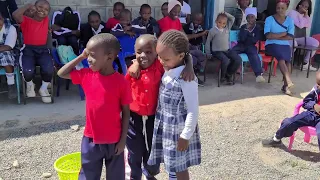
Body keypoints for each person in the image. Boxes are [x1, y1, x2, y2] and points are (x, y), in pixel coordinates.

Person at [57, 33, 132, 180]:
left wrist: (123, 140)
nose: (89, 59)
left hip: (114, 140)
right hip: (90, 139)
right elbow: (61, 73)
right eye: (87, 54)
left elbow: (126, 112)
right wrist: (81, 56)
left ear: (109, 57)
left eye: (92, 55)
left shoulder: (121, 82)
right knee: (88, 176)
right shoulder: (86, 75)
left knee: (116, 176)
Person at [125, 34, 195, 180]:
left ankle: (149, 173)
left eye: (149, 52)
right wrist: (135, 63)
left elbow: (185, 55)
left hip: (155, 118)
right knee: (135, 150)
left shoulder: (161, 65)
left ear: (157, 52)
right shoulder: (133, 68)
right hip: (134, 117)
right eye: (139, 52)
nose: (143, 56)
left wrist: (189, 66)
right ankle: (135, 175)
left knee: (154, 150)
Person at [147, 30, 200, 180]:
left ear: (180, 56)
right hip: (167, 127)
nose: (161, 61)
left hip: (178, 130)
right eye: (159, 56)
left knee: (180, 167)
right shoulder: (169, 67)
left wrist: (186, 135)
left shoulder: (186, 78)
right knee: (171, 163)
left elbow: (193, 110)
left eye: (165, 59)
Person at [262, 72, 320, 151]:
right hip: (311, 114)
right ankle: (276, 139)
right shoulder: (316, 89)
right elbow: (306, 102)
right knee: (288, 122)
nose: (317, 86)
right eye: (317, 83)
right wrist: (313, 105)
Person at [13, 0, 54, 103]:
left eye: (46, 10)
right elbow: (15, 14)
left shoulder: (46, 20)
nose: (42, 11)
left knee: (49, 69)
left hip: (43, 49)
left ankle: (43, 89)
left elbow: (47, 30)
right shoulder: (25, 20)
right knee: (27, 71)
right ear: (34, 8)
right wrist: (27, 6)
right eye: (40, 7)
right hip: (28, 49)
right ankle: (30, 84)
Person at [264, 0, 294, 96]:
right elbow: (268, 35)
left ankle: (285, 86)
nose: (280, 10)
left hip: (284, 44)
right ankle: (288, 81)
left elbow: (290, 36)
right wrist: (282, 34)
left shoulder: (290, 20)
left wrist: (276, 35)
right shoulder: (269, 19)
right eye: (278, 8)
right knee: (281, 58)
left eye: (282, 8)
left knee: (288, 60)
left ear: (286, 8)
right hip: (271, 44)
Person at [205, 12, 242, 85]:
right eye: (219, 22)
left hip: (226, 50)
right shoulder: (213, 31)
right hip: (217, 51)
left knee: (238, 59)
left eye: (224, 23)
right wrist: (208, 52)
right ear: (216, 21)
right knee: (226, 60)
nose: (221, 25)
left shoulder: (227, 28)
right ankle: (222, 76)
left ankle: (228, 74)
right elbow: (208, 41)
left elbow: (232, 18)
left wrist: (225, 13)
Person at [232, 7, 265, 83]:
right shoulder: (243, 27)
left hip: (251, 46)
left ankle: (258, 75)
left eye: (252, 17)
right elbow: (242, 39)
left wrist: (248, 34)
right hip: (241, 45)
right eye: (248, 17)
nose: (250, 19)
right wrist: (248, 33)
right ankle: (231, 70)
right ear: (246, 18)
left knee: (254, 54)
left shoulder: (258, 28)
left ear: (255, 18)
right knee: (232, 51)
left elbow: (255, 40)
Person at [287, 0, 319, 71]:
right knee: (294, 43)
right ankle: (288, 63)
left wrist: (306, 16)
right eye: (303, 5)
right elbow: (300, 26)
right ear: (299, 5)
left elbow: (308, 25)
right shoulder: (293, 13)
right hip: (290, 37)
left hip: (299, 38)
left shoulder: (305, 15)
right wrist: (302, 16)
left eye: (306, 7)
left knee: (315, 43)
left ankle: (305, 63)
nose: (304, 8)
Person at [183, 13, 208, 85]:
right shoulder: (186, 27)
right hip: (187, 48)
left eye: (199, 20)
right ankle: (194, 76)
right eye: (195, 20)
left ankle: (196, 75)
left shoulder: (201, 28)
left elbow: (200, 41)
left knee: (200, 55)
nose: (197, 22)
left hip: (196, 47)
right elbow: (185, 38)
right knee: (195, 58)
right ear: (192, 19)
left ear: (202, 21)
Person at [0, 12, 17, 99]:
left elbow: (8, 46)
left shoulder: (10, 28)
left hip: (8, 51)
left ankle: (11, 85)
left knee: (5, 56)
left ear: (2, 19)